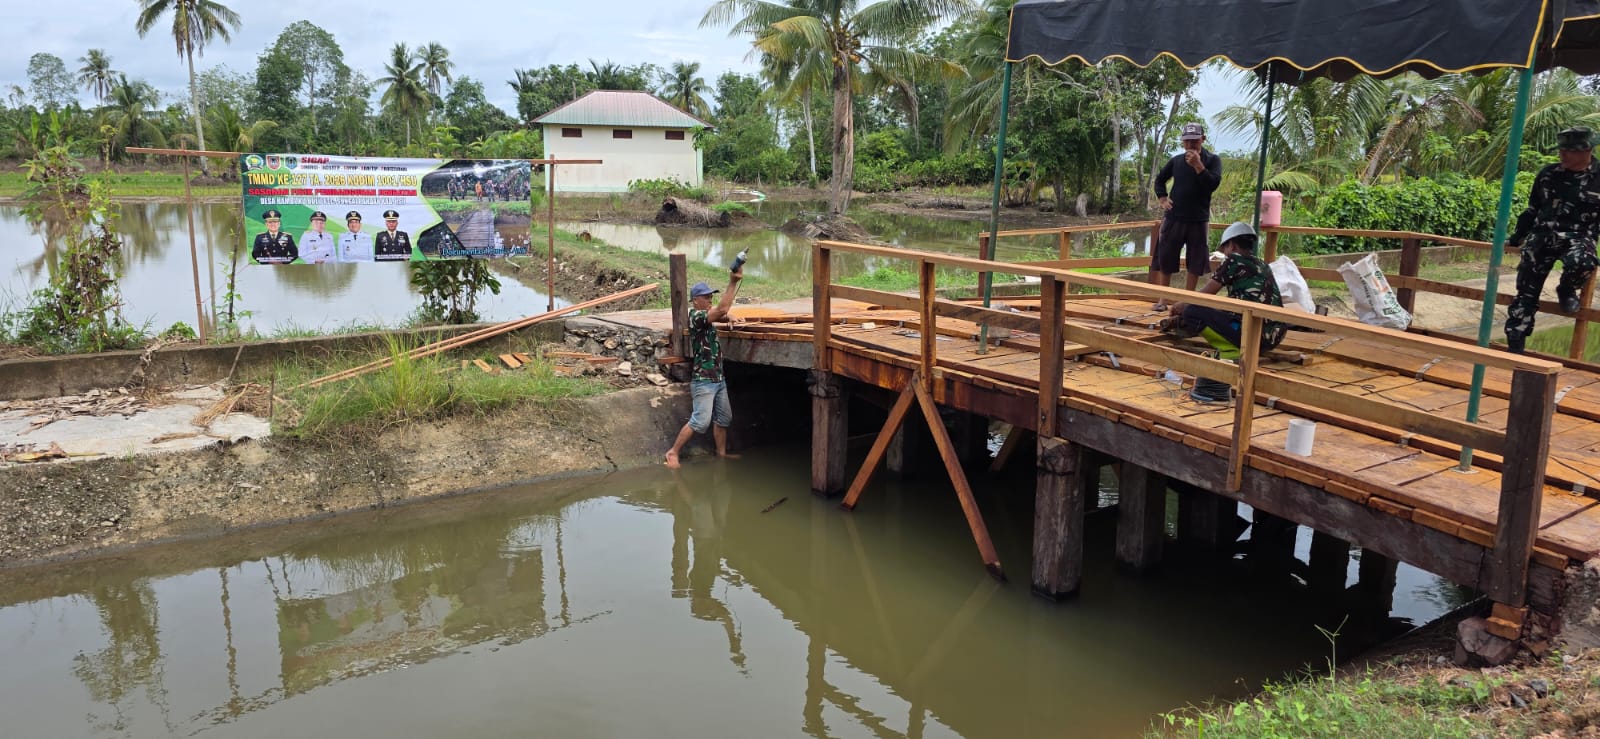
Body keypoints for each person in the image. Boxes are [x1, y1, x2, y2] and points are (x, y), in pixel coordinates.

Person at [1163, 222, 1286, 403]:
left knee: (1192, 311)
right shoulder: (1261, 263)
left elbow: (1206, 294)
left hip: (1252, 336)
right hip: (1273, 337)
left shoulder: (1234, 260)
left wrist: (1183, 304)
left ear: (1233, 245)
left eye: (1225, 248)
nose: (1225, 253)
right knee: (1209, 311)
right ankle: (1236, 344)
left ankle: (1231, 352)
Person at [1504, 126, 1600, 353]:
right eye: (1561, 149)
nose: (1562, 154)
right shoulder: (1548, 174)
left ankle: (1567, 288)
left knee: (1583, 262)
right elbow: (1532, 209)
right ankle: (1516, 350)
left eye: (1569, 150)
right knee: (1525, 296)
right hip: (1542, 238)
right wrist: (1516, 238)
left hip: (1579, 238)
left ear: (1586, 150)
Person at [664, 269, 744, 468]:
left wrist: (729, 316)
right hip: (704, 381)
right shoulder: (695, 316)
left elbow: (720, 314)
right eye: (706, 297)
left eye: (711, 296)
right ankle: (673, 452)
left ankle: (721, 454)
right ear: (695, 300)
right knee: (700, 421)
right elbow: (720, 310)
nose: (710, 299)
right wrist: (732, 283)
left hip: (718, 379)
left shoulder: (705, 317)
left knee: (724, 418)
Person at [1152, 122, 1223, 309]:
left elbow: (1212, 184)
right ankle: (1163, 299)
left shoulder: (1213, 160)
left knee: (1196, 261)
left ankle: (1188, 300)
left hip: (1198, 219)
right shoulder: (1176, 161)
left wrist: (1198, 165)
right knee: (1166, 257)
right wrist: (1162, 198)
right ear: (1182, 142)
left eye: (1194, 141)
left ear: (1203, 139)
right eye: (1187, 141)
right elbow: (1160, 180)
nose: (1190, 145)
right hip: (1174, 217)